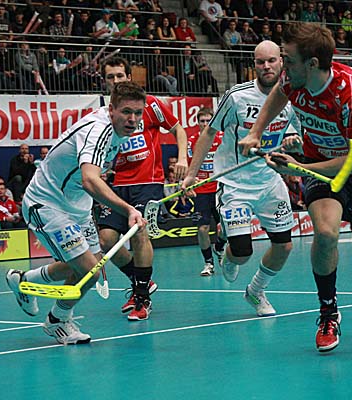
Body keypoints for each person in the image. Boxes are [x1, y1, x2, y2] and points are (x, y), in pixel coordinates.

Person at [238, 22, 352, 352]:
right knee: (325, 233)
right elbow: (279, 94)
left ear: (312, 64)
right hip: (320, 163)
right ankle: (328, 312)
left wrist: (298, 167)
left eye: (288, 60)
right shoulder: (294, 79)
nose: (282, 66)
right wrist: (256, 132)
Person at [5, 81, 147, 345]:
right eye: (127, 112)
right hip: (47, 204)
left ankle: (24, 280)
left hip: (78, 206)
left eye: (138, 113)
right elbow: (90, 180)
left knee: (89, 266)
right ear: (111, 109)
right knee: (91, 272)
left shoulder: (122, 131)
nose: (133, 119)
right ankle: (57, 320)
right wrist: (128, 209)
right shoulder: (98, 130)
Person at [182, 40, 298, 318]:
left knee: (284, 245)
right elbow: (209, 132)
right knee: (243, 252)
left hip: (270, 182)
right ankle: (228, 254)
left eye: (271, 60)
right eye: (260, 62)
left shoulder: (294, 96)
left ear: (281, 61)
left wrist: (295, 142)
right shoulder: (237, 96)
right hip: (235, 184)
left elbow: (299, 135)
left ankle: (256, 291)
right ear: (253, 65)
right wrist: (191, 174)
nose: (266, 66)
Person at [96, 56, 188, 321]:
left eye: (120, 76)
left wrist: (182, 158)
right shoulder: (105, 113)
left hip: (148, 181)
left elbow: (178, 130)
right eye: (110, 77)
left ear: (129, 77)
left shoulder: (149, 105)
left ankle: (142, 298)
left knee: (139, 234)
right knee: (107, 241)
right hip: (118, 184)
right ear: (104, 81)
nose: (116, 81)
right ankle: (140, 281)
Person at [187, 107, 227, 277]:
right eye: (202, 121)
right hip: (201, 190)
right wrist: (188, 184)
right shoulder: (192, 141)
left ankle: (219, 246)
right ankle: (208, 263)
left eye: (208, 121)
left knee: (226, 227)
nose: (205, 124)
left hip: (220, 188)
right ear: (197, 123)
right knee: (203, 229)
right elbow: (189, 166)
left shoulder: (223, 138)